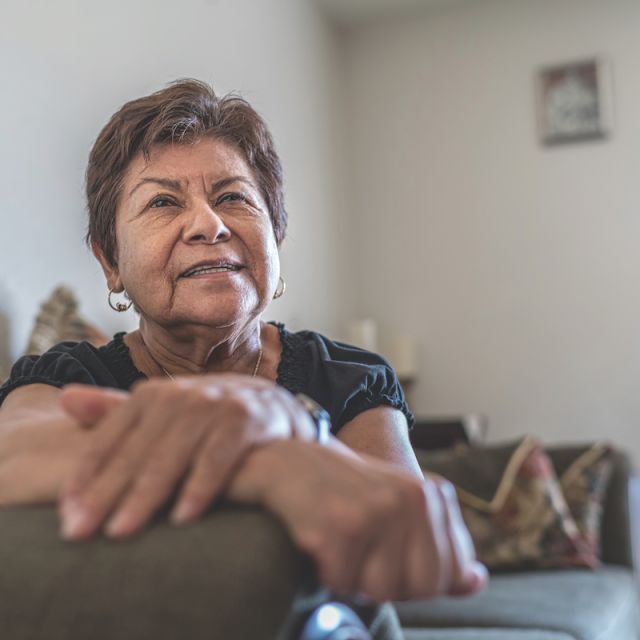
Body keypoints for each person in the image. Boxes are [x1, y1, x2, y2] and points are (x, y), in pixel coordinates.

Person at [0, 79, 487, 604]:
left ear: (274, 238)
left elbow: (402, 550)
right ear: (110, 262)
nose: (209, 225)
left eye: (232, 197)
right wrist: (267, 461)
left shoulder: (349, 377)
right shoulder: (67, 376)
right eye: (163, 202)